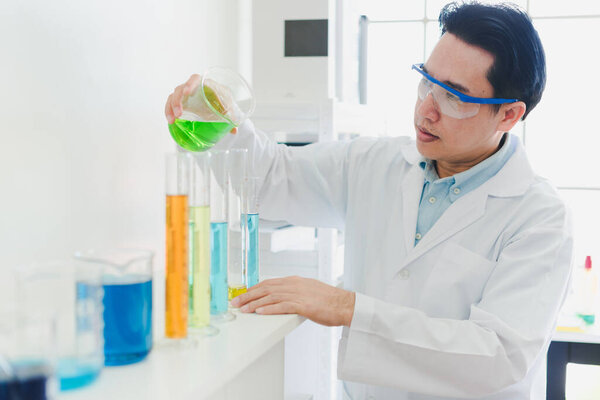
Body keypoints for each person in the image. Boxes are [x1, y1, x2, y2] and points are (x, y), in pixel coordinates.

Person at [165, 2, 573, 399]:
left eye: (454, 97)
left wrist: (348, 307)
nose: (426, 109)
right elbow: (272, 181)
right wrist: (220, 117)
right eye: (427, 81)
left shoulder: (539, 219)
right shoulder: (374, 162)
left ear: (508, 115)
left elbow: (497, 358)